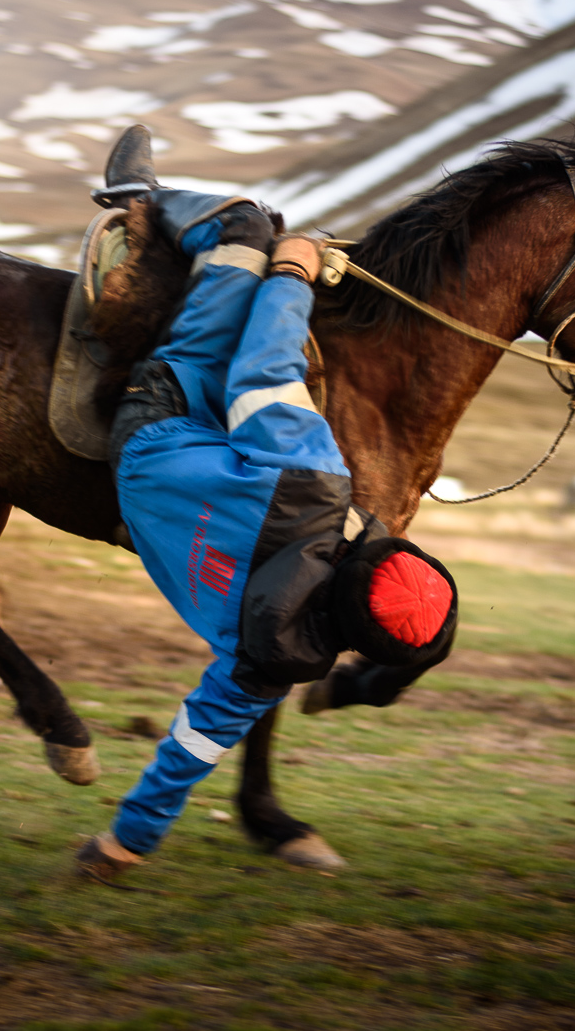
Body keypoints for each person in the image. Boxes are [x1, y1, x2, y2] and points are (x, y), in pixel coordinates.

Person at [75, 189, 459, 881]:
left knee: (247, 229)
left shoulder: (315, 474)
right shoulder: (268, 664)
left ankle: (145, 199)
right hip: (143, 485)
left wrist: (295, 274)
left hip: (161, 412)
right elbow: (189, 749)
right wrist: (125, 842)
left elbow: (264, 371)